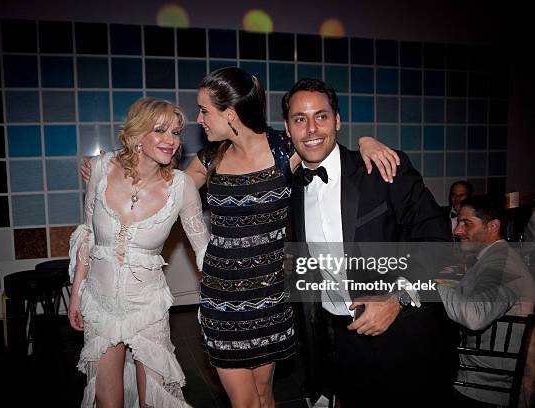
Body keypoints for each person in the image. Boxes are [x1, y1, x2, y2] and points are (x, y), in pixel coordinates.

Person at [82, 67, 398, 408]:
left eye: (205, 111)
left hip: (270, 297)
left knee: (265, 396)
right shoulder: (209, 160)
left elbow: (324, 147)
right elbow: (158, 188)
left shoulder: (284, 150)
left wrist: (367, 142)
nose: (200, 120)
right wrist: (110, 165)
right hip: (222, 298)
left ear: (230, 114)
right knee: (245, 402)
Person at [283, 78, 457, 407]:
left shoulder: (381, 168)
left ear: (337, 120)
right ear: (288, 128)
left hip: (406, 334)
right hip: (342, 342)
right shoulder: (291, 187)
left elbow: (440, 241)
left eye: (320, 116)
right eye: (299, 119)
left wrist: (399, 298)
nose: (311, 129)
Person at [68, 98, 210, 408]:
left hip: (148, 305)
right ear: (136, 134)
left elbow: (203, 249)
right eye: (160, 130)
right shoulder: (100, 169)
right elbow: (88, 237)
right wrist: (76, 295)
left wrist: (224, 296)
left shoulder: (181, 187)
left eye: (175, 132)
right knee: (107, 398)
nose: (171, 141)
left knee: (153, 399)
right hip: (100, 301)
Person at [437, 196, 535, 407]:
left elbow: (474, 316)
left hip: (483, 386)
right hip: (478, 374)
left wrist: (428, 283)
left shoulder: (503, 264)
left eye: (466, 223)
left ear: (493, 226)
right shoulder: (494, 257)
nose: (457, 231)